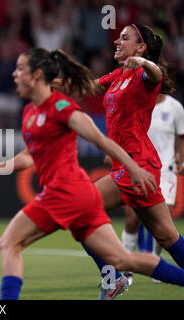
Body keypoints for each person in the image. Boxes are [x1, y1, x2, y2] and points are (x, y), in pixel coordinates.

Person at [0, 48, 184, 300]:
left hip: (66, 192)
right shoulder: (30, 112)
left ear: (37, 75)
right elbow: (29, 156)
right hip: (79, 196)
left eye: (20, 69)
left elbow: (100, 140)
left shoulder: (62, 107)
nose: (14, 74)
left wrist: (134, 168)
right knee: (121, 259)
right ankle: (119, 278)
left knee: (10, 243)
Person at [67, 24, 184, 298]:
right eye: (118, 36)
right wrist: (58, 81)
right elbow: (90, 87)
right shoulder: (120, 74)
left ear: (142, 47)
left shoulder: (144, 75)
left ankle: (112, 278)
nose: (117, 40)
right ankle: (114, 277)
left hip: (137, 165)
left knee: (78, 210)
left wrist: (143, 62)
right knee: (168, 237)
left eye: (125, 37)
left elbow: (155, 73)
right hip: (130, 164)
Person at [121, 93, 184, 285]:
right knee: (132, 219)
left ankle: (157, 260)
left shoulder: (175, 107)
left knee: (165, 224)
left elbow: (182, 136)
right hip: (139, 167)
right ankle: (126, 270)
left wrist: (182, 157)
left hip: (166, 170)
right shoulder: (136, 102)